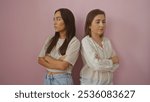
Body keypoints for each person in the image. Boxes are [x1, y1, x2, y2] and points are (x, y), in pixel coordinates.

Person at [38, 8, 80, 85]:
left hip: (62, 80)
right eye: (54, 19)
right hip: (47, 78)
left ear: (67, 21)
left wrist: (48, 58)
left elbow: (63, 66)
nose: (55, 22)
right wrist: (58, 61)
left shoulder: (74, 42)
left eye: (58, 19)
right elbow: (40, 60)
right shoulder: (50, 39)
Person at [80, 9, 119, 85]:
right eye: (98, 22)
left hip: (109, 84)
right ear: (89, 25)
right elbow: (96, 65)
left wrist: (101, 61)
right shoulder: (86, 41)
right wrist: (111, 60)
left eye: (103, 22)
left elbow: (116, 63)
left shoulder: (107, 41)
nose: (102, 25)